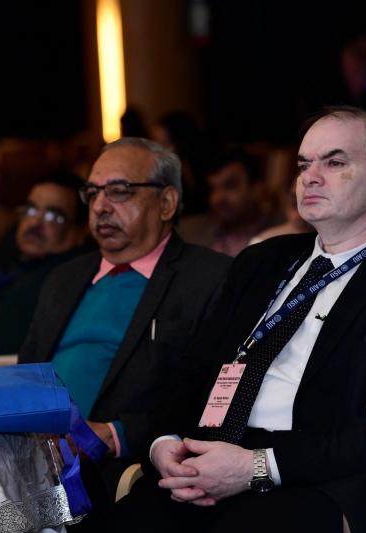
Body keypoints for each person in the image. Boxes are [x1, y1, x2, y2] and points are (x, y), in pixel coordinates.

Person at [80, 107, 366, 532]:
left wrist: (257, 466)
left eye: (334, 163)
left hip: (310, 481)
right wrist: (164, 443)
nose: (310, 177)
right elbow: (190, 371)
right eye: (304, 165)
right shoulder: (260, 262)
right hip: (205, 461)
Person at [18, 137, 230, 504]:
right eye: (93, 193)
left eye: (119, 191)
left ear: (166, 203)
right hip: (32, 460)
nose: (100, 207)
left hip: (124, 473)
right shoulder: (64, 279)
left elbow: (215, 395)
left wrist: (117, 434)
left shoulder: (210, 279)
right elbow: (26, 374)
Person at [0, 171, 91, 358]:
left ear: (79, 232)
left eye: (53, 216)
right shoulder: (6, 262)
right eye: (31, 210)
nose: (35, 222)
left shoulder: (75, 281)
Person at [178, 149, 271, 256]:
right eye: (213, 189)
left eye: (230, 186)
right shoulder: (188, 232)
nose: (218, 198)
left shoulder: (278, 233)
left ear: (256, 188)